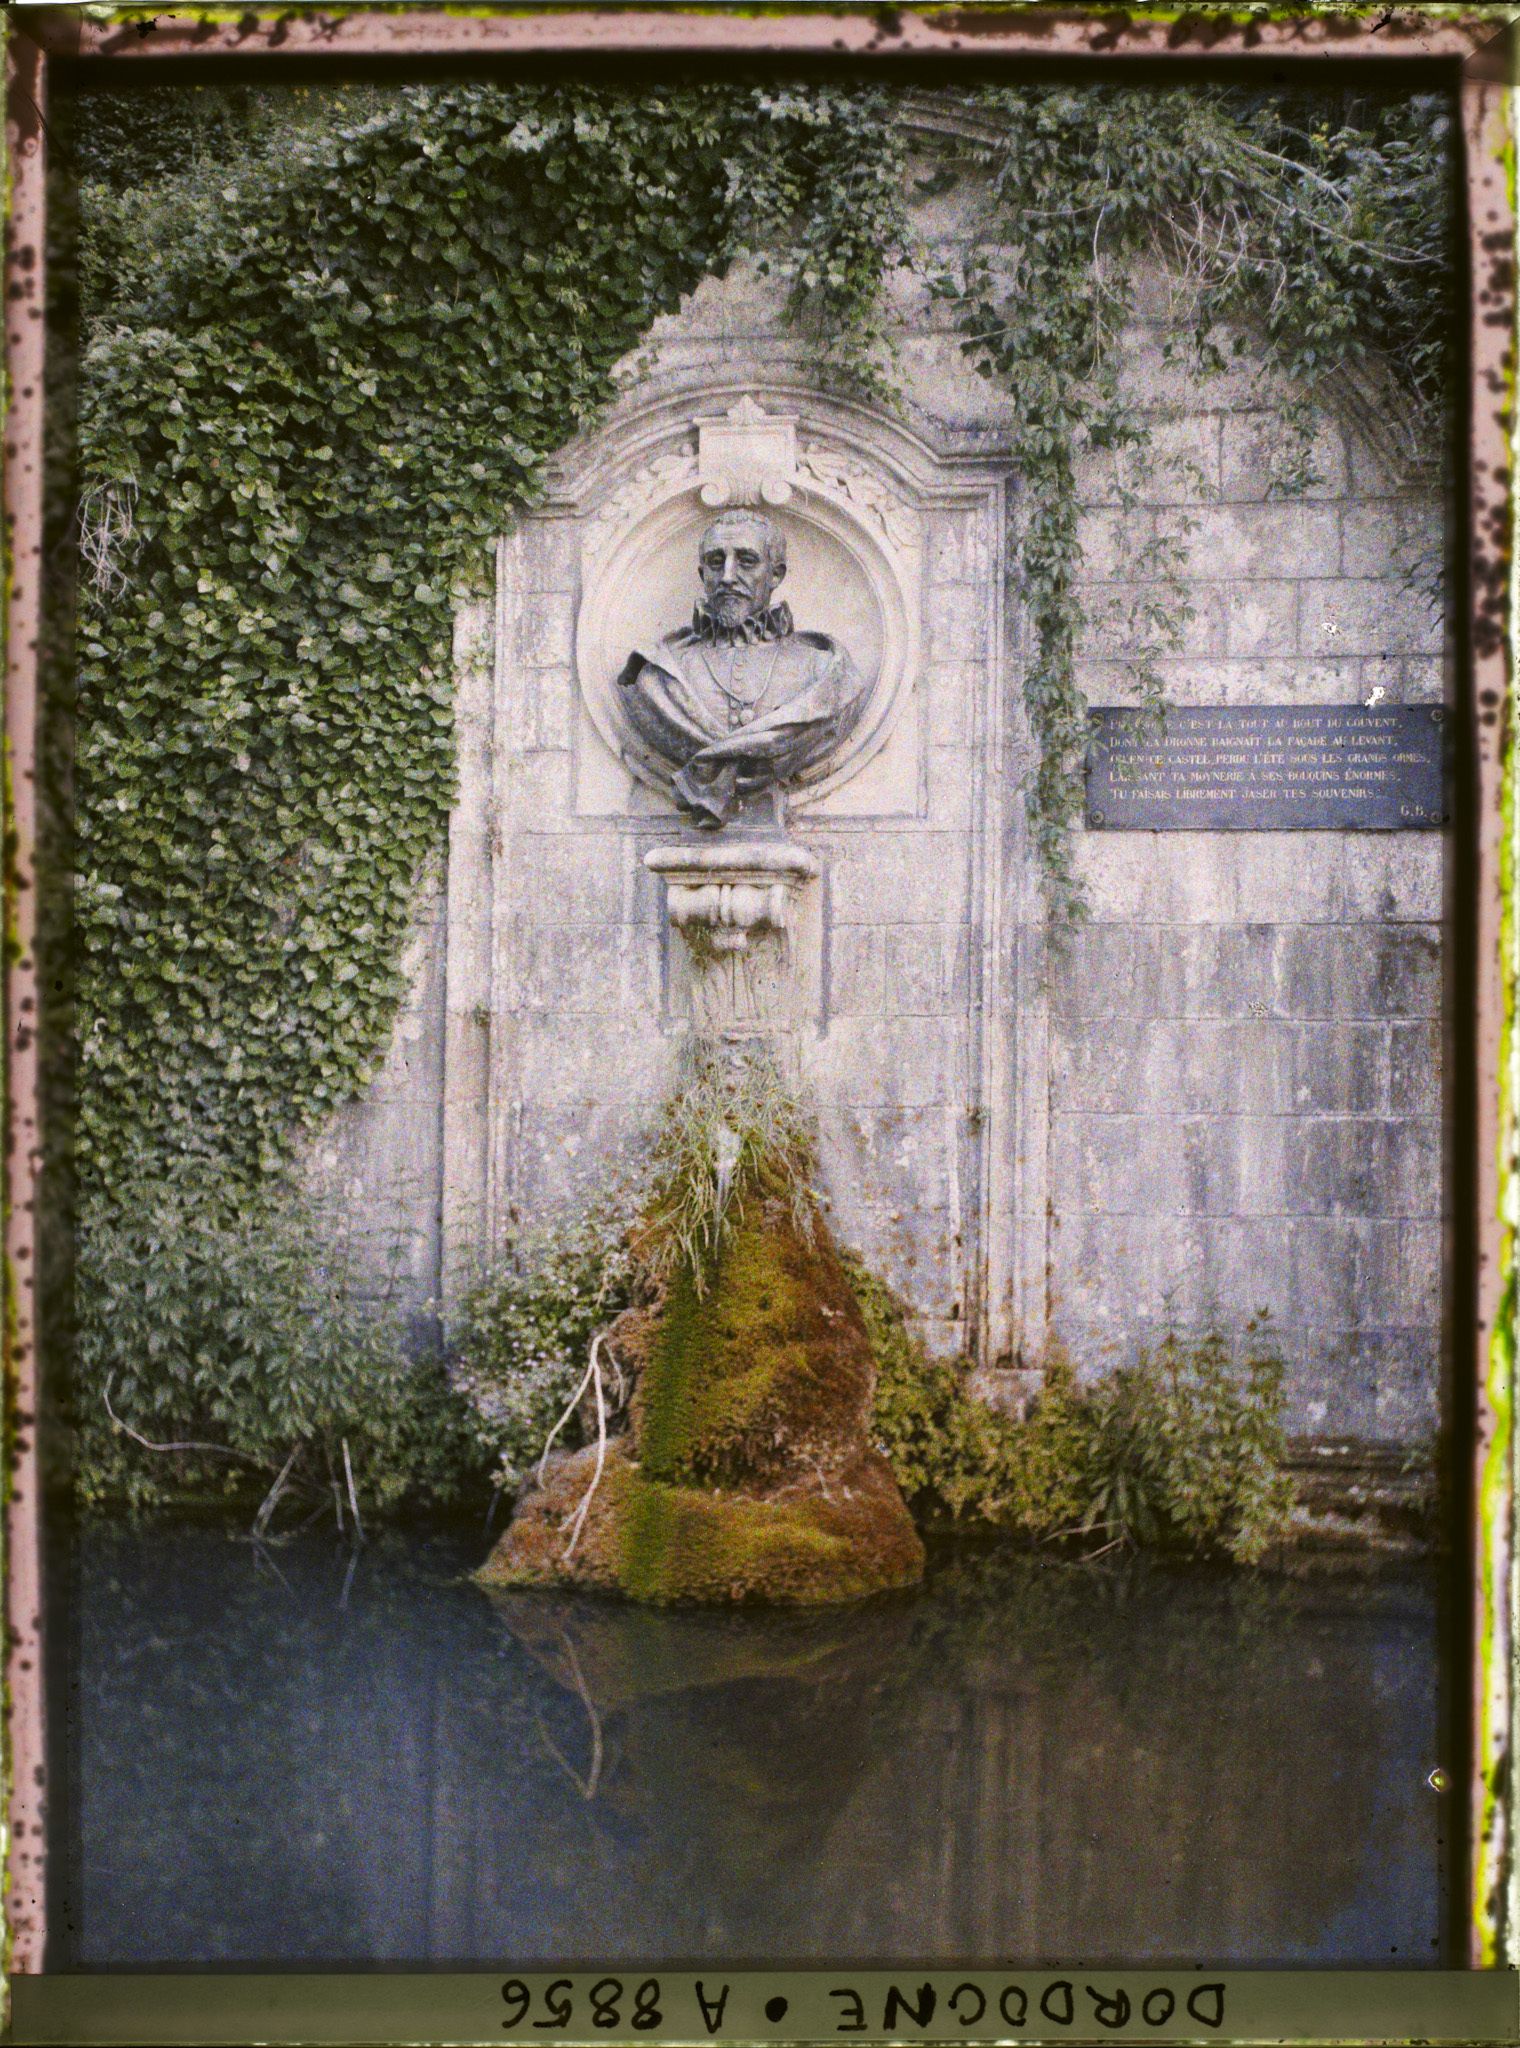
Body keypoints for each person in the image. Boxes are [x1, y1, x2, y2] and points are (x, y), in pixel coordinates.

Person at [617, 510, 870, 829]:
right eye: (715, 562)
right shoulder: (657, 676)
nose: (727, 576)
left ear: (775, 574)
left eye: (747, 561)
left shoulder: (821, 670)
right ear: (702, 573)